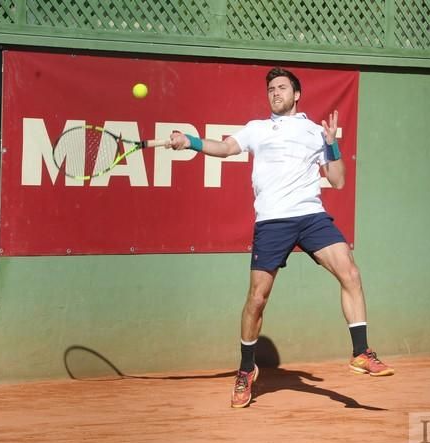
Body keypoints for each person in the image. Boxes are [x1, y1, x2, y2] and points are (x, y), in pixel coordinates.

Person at [167, 67, 394, 409]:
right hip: (273, 220)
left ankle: (360, 351)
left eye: (282, 87)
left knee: (351, 272)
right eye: (271, 88)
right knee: (257, 299)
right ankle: (246, 369)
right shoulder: (257, 129)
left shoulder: (315, 132)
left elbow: (338, 180)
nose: (275, 92)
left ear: (296, 94)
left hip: (311, 215)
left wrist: (331, 145)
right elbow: (226, 148)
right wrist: (192, 142)